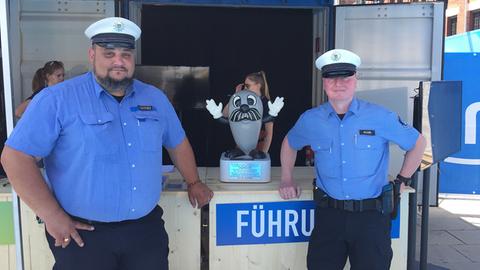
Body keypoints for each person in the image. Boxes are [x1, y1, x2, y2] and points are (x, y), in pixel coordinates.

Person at [1, 17, 213, 270]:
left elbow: (177, 143)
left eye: (126, 54)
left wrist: (194, 181)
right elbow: (15, 158)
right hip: (84, 236)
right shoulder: (57, 99)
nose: (118, 61)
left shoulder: (155, 98)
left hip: (145, 232)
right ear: (92, 55)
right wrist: (52, 216)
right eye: (109, 53)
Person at [278, 49, 426, 270]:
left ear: (356, 79)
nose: (339, 83)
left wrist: (403, 178)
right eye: (332, 77)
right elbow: (290, 143)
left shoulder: (380, 116)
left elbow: (418, 143)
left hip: (371, 218)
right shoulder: (311, 119)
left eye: (345, 76)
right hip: (329, 216)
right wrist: (286, 177)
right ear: (324, 82)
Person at [223, 71, 274, 153]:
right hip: (241, 145)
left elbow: (269, 133)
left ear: (258, 85)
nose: (245, 89)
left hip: (258, 146)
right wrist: (235, 95)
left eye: (248, 86)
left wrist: (263, 154)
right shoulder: (242, 99)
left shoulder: (266, 103)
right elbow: (225, 114)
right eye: (245, 86)